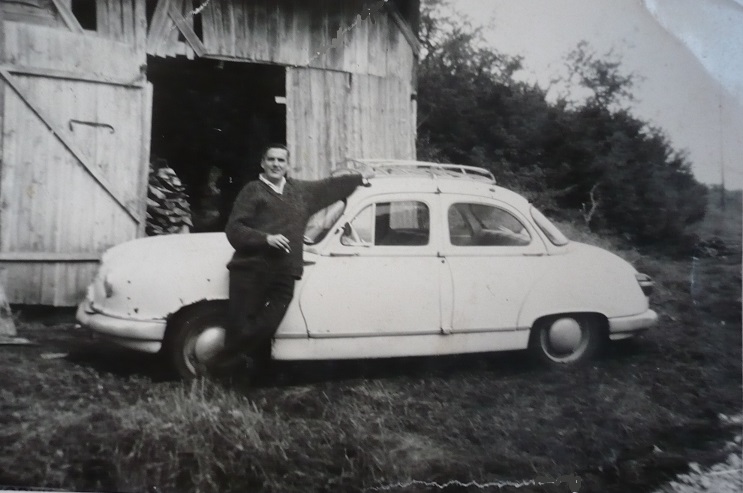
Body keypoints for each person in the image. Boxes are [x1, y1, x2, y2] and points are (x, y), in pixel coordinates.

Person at [211, 144, 368, 373]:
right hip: (251, 269)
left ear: (287, 165)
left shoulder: (300, 191)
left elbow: (330, 186)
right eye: (271, 160)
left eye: (281, 160)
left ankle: (219, 367)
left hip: (285, 271)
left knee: (267, 324)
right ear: (263, 163)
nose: (276, 164)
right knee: (241, 326)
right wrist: (265, 239)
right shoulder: (252, 190)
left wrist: (360, 177)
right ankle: (233, 378)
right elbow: (234, 229)